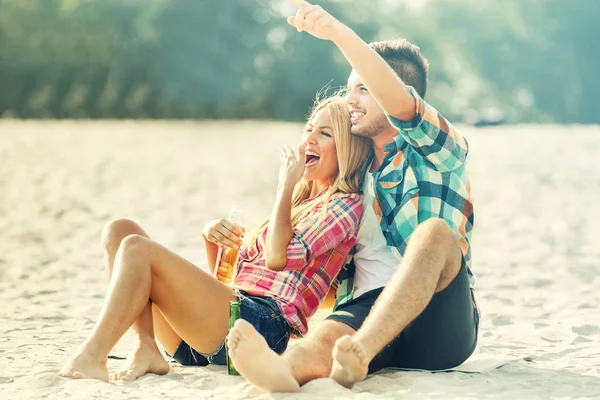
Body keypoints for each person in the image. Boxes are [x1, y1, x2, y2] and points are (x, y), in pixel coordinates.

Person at [226, 0, 479, 392]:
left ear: (393, 89)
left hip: (438, 320)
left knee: (435, 234)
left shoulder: (439, 149)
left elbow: (401, 107)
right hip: (366, 309)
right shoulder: (353, 174)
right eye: (348, 90)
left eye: (362, 88)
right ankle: (285, 373)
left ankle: (359, 352)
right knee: (324, 340)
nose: (350, 100)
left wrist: (338, 34)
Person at [58, 95, 372, 382]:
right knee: (120, 230)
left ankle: (92, 356)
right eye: (308, 129)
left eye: (325, 134)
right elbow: (230, 280)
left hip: (262, 325)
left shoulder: (345, 204)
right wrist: (212, 238)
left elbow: (277, 257)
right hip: (217, 325)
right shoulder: (298, 204)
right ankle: (146, 346)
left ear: (348, 148)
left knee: (137, 250)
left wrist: (284, 187)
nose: (309, 141)